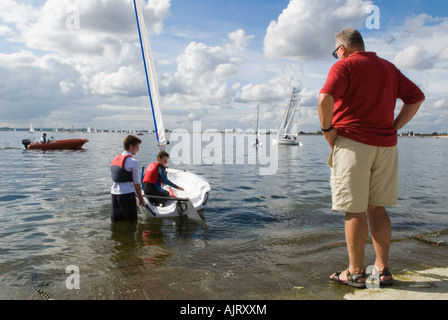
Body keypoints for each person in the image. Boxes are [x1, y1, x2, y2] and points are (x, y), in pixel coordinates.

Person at [318, 28, 425, 288]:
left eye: (336, 53)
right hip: (386, 146)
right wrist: (394, 126)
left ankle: (355, 273)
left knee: (354, 209)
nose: (337, 57)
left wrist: (327, 130)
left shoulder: (344, 67)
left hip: (354, 144)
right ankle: (382, 268)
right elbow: (416, 97)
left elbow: (324, 99)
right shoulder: (389, 68)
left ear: (342, 49)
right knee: (377, 208)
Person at [110, 135, 145, 222]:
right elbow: (136, 183)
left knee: (116, 222)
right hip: (126, 195)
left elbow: (119, 178)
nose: (138, 149)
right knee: (131, 223)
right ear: (130, 146)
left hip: (114, 194)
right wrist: (141, 199)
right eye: (137, 146)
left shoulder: (115, 159)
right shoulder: (133, 162)